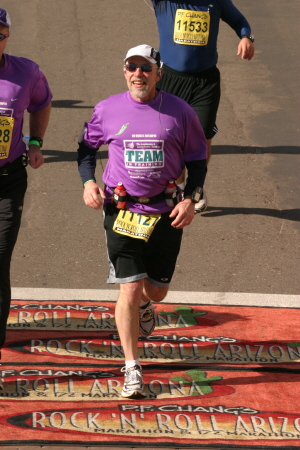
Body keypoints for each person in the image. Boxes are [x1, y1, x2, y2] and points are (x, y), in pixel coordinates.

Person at [77, 44, 207, 399]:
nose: (139, 74)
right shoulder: (107, 109)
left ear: (158, 73)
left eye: (146, 68)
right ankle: (133, 367)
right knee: (129, 287)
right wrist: (89, 182)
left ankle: (148, 306)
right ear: (124, 72)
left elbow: (197, 158)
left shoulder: (180, 112)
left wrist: (191, 200)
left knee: (155, 290)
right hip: (121, 211)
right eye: (132, 67)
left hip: (166, 210)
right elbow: (86, 149)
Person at [149, 0, 255, 212]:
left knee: (202, 137)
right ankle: (177, 187)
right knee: (172, 137)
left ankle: (195, 188)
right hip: (171, 78)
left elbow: (239, 20)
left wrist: (246, 37)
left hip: (205, 82)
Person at [0, 8, 52, 364]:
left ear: (7, 36)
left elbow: (42, 102)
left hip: (7, 181)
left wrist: (35, 143)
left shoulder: (25, 72)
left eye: (0, 33)